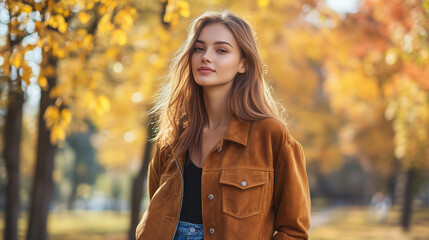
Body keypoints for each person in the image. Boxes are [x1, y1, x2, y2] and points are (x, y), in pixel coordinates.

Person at [136, 10, 310, 240]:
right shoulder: (172, 136)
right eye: (199, 48)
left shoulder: (270, 136)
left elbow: (294, 231)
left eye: (221, 50)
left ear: (243, 64)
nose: (206, 57)